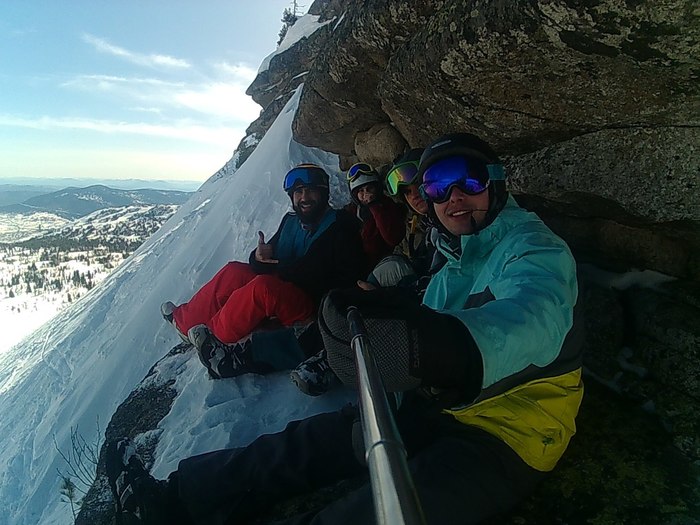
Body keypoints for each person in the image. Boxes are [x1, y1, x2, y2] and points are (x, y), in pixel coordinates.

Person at [108, 133, 583, 525]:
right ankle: (173, 498)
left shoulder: (533, 247)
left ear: (495, 182)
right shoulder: (453, 253)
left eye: (469, 179)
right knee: (305, 445)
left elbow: (536, 316)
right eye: (438, 186)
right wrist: (387, 308)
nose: (453, 196)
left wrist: (435, 348)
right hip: (433, 403)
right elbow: (429, 303)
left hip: (506, 433)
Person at [161, 163, 366, 379]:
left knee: (263, 288)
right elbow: (267, 260)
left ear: (323, 192)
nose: (304, 197)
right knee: (235, 271)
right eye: (298, 192)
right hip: (283, 287)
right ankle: (185, 321)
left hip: (311, 305)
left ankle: (214, 338)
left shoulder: (342, 226)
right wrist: (259, 258)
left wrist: (277, 269)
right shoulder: (291, 221)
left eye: (310, 190)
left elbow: (335, 276)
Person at [344, 163, 406, 270]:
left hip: (381, 265)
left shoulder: (387, 207)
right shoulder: (352, 210)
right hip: (355, 265)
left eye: (370, 188)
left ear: (377, 189)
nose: (366, 194)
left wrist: (374, 207)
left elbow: (393, 238)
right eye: (361, 191)